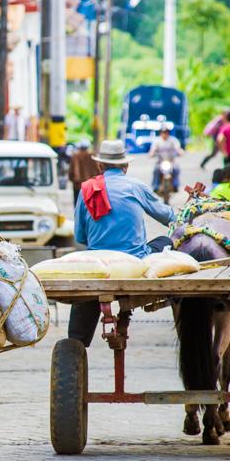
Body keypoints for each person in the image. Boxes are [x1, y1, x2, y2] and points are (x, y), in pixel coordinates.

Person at [69, 139, 175, 348]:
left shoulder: (86, 190)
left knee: (81, 312)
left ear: (100, 165)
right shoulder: (135, 186)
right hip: (134, 260)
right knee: (166, 241)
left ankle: (76, 341)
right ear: (126, 166)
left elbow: (80, 237)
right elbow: (168, 216)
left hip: (98, 263)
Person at [149, 125, 183, 192]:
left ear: (168, 133)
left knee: (176, 169)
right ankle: (155, 186)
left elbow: (177, 148)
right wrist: (152, 153)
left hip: (171, 161)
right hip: (160, 162)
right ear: (160, 133)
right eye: (163, 132)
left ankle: (175, 185)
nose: (165, 134)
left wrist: (180, 152)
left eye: (166, 132)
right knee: (156, 170)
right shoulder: (157, 141)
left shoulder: (173, 140)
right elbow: (153, 149)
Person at [68, 140, 98, 206]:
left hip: (78, 185)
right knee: (90, 205)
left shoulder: (75, 156)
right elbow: (98, 170)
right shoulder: (93, 156)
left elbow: (71, 171)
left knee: (77, 203)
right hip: (91, 185)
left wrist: (72, 179)